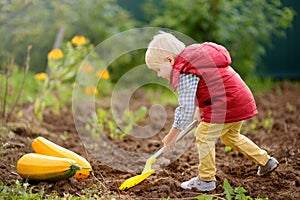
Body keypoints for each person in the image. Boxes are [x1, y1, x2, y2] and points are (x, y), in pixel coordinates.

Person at [144, 31, 278, 192]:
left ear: (169, 60)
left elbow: (185, 109)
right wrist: (200, 109)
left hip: (225, 104)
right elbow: (207, 85)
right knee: (230, 137)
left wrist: (171, 136)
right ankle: (266, 161)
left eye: (158, 69)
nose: (158, 75)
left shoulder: (185, 72)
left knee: (204, 136)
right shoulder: (195, 61)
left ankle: (206, 180)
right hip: (238, 99)